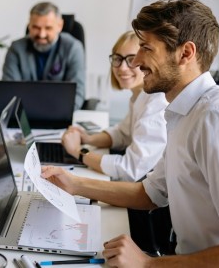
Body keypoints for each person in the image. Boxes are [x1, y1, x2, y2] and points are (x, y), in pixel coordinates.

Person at [42, 0, 219, 267]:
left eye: (146, 48)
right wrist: (74, 184)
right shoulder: (182, 112)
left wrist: (147, 264)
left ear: (185, 53)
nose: (136, 61)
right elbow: (150, 194)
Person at [62, 31, 167, 181]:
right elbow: (123, 134)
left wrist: (78, 152)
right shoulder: (140, 95)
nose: (122, 68)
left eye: (132, 59)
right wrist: (88, 139)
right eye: (118, 58)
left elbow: (129, 169)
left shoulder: (157, 104)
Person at [2, 1, 85, 110]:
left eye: (48, 28)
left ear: (59, 26)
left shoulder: (74, 48)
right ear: (29, 25)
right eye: (36, 27)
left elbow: (77, 94)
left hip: (59, 115)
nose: (41, 34)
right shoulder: (16, 48)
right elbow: (9, 91)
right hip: (23, 116)